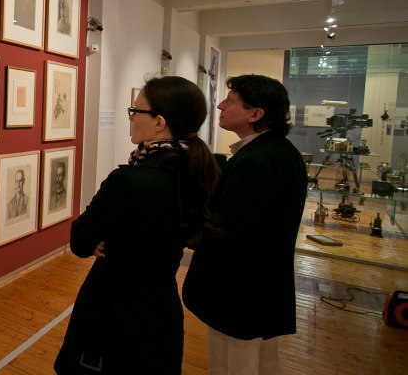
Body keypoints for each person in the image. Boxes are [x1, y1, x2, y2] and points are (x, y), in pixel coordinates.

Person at [54, 76, 220, 373]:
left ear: (159, 122)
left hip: (114, 315)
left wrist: (106, 235)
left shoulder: (129, 180)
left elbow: (80, 241)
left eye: (135, 111)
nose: (130, 118)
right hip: (160, 312)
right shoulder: (196, 170)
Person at [182, 74, 308, 374]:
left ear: (255, 114)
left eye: (231, 101)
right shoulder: (282, 152)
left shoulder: (255, 161)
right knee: (263, 363)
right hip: (263, 289)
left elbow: (225, 233)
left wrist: (185, 226)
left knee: (231, 366)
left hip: (238, 292)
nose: (220, 105)